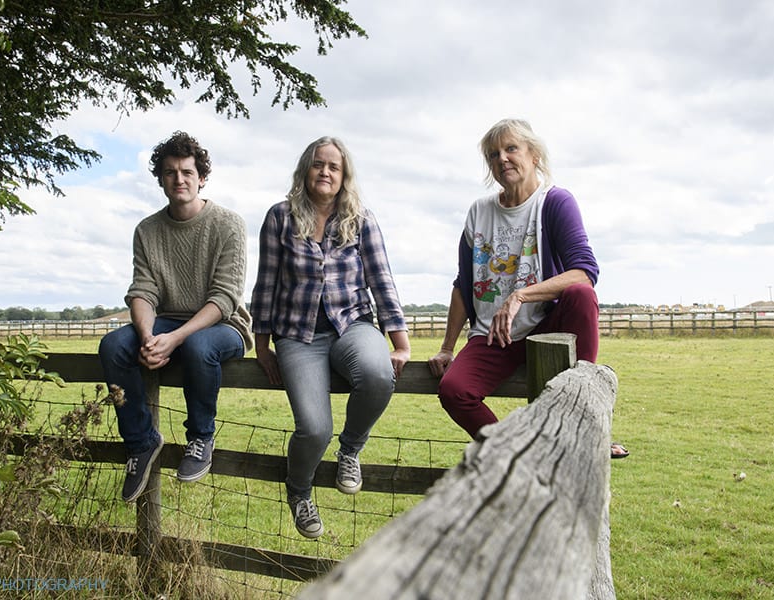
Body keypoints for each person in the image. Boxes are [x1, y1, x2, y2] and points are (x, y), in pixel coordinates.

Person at [427, 118, 628, 459]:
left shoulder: (555, 202)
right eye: (493, 154)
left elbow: (584, 272)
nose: (502, 158)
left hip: (546, 328)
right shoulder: (479, 212)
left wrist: (520, 295)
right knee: (454, 390)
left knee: (581, 295)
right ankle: (517, 453)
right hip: (493, 336)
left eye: (511, 148)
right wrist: (447, 347)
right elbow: (463, 284)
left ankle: (587, 427)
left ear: (534, 155)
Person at [251, 136, 411, 538]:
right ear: (306, 169)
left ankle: (350, 450)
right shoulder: (279, 217)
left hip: (353, 324)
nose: (325, 172)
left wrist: (400, 339)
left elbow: (381, 279)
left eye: (333, 167)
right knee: (314, 427)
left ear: (344, 176)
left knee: (377, 375)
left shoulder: (362, 219)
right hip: (297, 335)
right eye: (318, 164)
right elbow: (266, 282)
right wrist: (262, 345)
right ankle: (299, 491)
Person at [99, 131, 253, 503]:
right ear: (161, 179)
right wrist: (149, 335)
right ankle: (141, 443)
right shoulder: (147, 230)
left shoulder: (228, 224)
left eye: (187, 172)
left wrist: (176, 338)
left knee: (199, 345)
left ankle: (201, 437)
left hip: (223, 325)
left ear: (201, 177)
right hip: (166, 321)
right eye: (170, 173)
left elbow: (225, 296)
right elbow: (143, 291)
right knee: (114, 345)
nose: (179, 179)